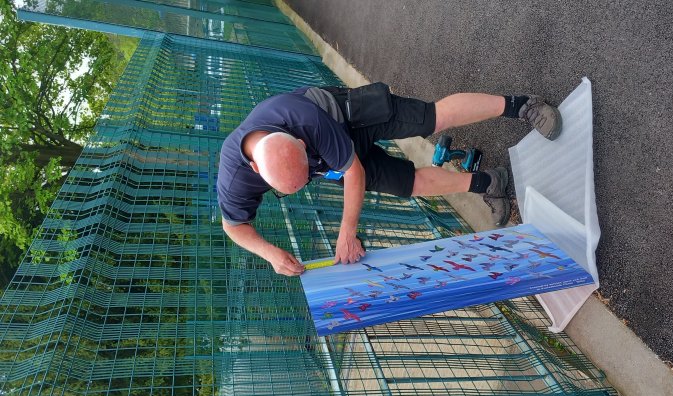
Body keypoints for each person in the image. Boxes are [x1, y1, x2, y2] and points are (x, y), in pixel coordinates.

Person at [217, 83, 562, 276]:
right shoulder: (234, 179)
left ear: (301, 144)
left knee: (431, 120)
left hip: (350, 115)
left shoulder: (302, 120)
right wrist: (269, 253)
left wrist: (346, 234)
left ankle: (522, 105)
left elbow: (353, 171)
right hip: (334, 160)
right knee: (411, 185)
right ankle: (489, 183)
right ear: (257, 171)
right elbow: (234, 226)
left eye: (307, 165)